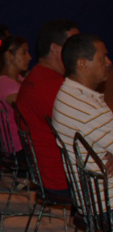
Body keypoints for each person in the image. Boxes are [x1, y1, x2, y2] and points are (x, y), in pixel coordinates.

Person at [16, 19, 79, 198]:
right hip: (62, 179)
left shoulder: (37, 77)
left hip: (46, 174)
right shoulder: (54, 88)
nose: (79, 50)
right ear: (55, 49)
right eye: (73, 44)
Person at [51, 33, 113, 207]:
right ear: (83, 64)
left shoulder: (69, 93)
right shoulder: (87, 108)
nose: (108, 63)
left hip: (94, 195)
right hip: (106, 202)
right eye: (102, 58)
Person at [0, 36, 32, 157]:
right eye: (24, 53)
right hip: (19, 147)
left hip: (24, 142)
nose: (29, 57)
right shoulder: (6, 84)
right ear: (9, 56)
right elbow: (29, 111)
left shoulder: (18, 79)